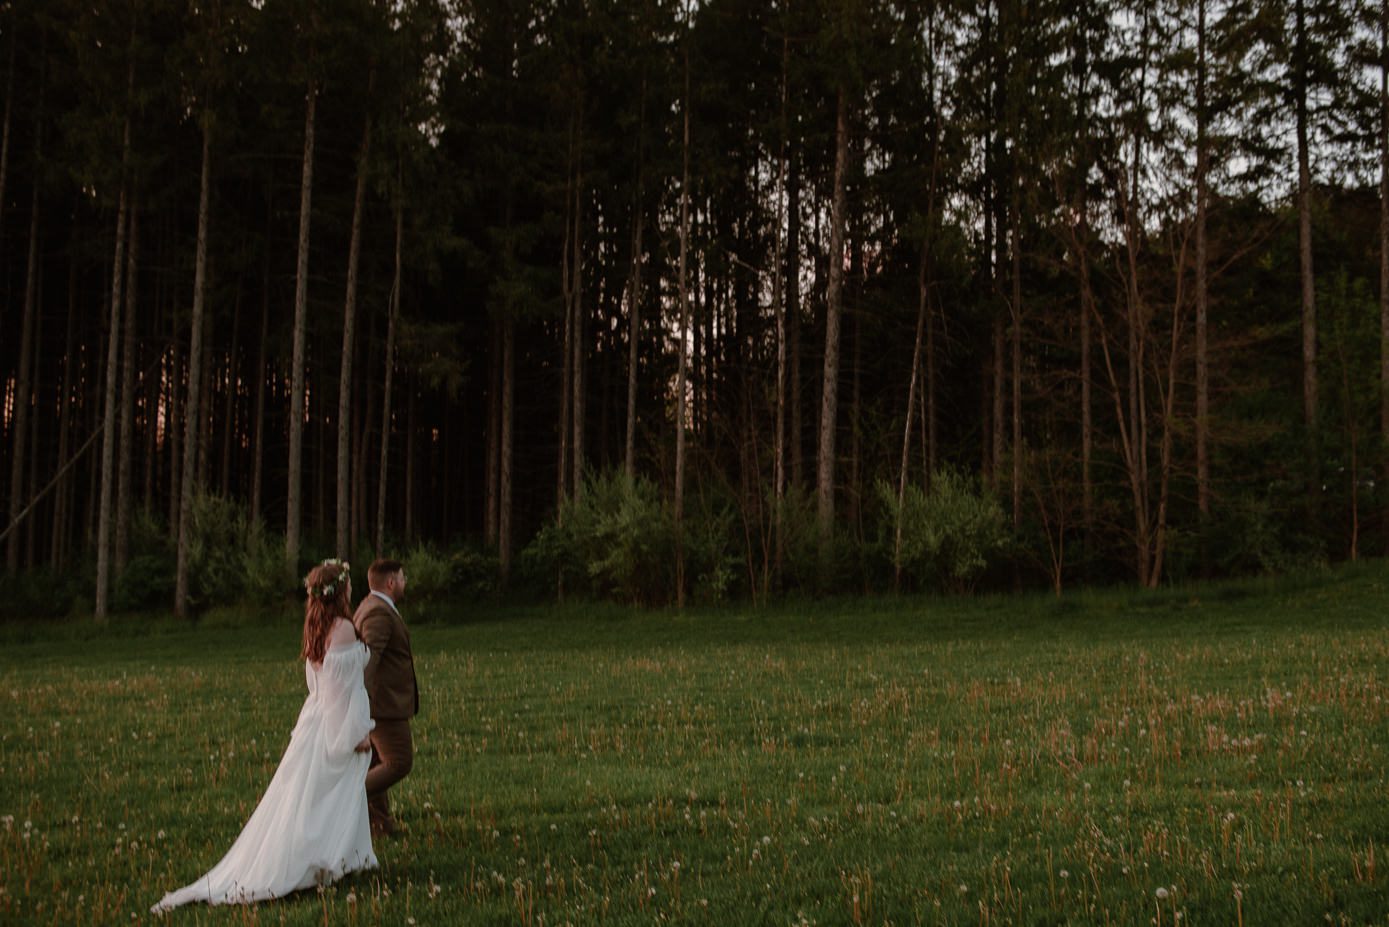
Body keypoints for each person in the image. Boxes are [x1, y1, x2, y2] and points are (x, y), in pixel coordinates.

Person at [151, 560, 376, 913]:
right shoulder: (343, 628)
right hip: (332, 727)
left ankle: (343, 859)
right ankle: (318, 863)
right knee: (322, 799)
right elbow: (337, 694)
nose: (351, 589)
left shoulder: (316, 626)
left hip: (314, 723)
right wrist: (353, 735)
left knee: (308, 799)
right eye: (347, 584)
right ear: (340, 591)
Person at [352, 558, 419, 837]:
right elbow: (369, 661)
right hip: (383, 705)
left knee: (378, 763)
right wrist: (362, 706)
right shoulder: (379, 613)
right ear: (391, 582)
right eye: (402, 578)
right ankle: (348, 797)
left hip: (381, 703)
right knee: (399, 762)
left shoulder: (373, 605)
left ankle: (380, 825)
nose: (405, 582)